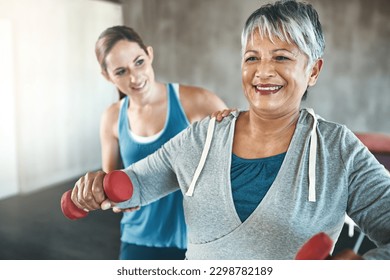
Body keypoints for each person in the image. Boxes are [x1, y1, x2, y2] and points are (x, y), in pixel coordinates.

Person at [71, 1, 390, 259]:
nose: (263, 71)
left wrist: (363, 268)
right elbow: (138, 181)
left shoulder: (339, 150)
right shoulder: (204, 136)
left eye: (281, 57)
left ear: (314, 70)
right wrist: (100, 186)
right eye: (252, 57)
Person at [91, 25, 228, 260]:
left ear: (150, 54)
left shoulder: (199, 100)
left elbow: (239, 156)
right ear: (106, 76)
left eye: (139, 62)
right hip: (139, 237)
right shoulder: (112, 117)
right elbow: (113, 185)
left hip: (197, 239)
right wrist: (115, 200)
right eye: (121, 71)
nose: (135, 77)